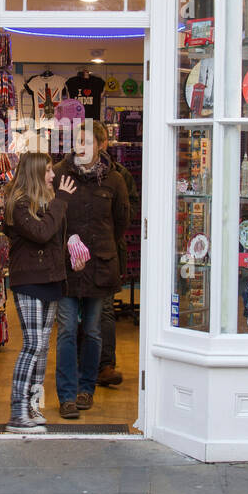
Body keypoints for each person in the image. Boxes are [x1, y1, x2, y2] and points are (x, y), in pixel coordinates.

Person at [52, 121, 129, 419]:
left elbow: (121, 221)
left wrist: (99, 245)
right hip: (67, 267)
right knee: (68, 330)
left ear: (100, 145)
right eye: (76, 141)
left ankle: (87, 388)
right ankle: (67, 395)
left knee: (94, 331)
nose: (80, 147)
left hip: (100, 265)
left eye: (86, 141)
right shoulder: (59, 174)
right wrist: (67, 247)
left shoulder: (114, 180)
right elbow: (50, 215)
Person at [1, 151, 77, 433]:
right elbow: (42, 233)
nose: (52, 175)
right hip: (29, 280)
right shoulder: (19, 205)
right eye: (46, 171)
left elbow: (54, 237)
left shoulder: (45, 201)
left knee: (43, 346)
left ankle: (33, 404)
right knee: (33, 344)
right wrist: (62, 201)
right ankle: (17, 411)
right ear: (34, 173)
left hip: (52, 279)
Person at [75, 121, 138, 387]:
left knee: (105, 311)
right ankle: (84, 365)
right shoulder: (70, 171)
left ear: (102, 145)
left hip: (108, 252)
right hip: (77, 254)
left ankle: (105, 365)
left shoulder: (119, 175)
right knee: (79, 311)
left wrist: (107, 232)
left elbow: (128, 211)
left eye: (88, 142)